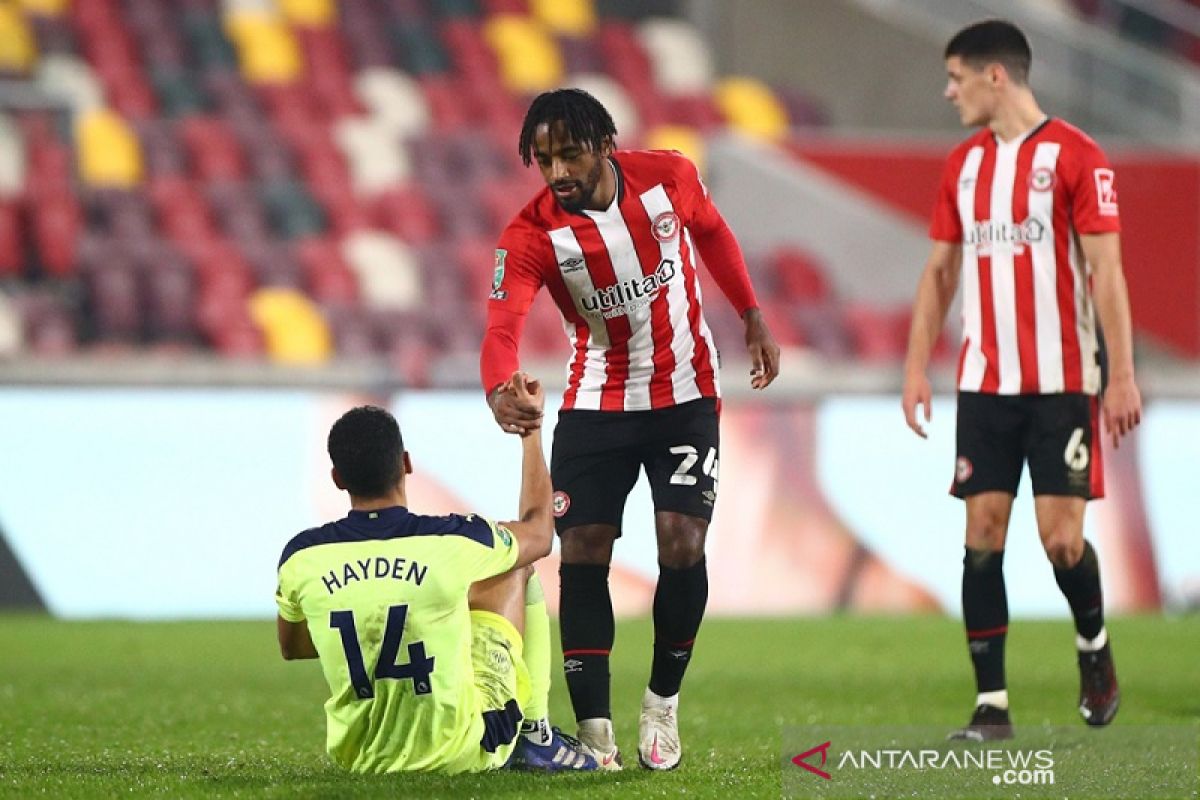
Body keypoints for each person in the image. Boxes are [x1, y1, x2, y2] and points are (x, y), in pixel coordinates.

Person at [480, 88, 780, 771]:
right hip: (595, 403)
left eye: (570, 155)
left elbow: (712, 232)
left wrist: (751, 311)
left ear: (604, 145)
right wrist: (498, 386)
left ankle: (662, 705)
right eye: (545, 160)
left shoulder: (670, 176)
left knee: (681, 543)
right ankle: (594, 734)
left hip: (685, 393)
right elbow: (503, 328)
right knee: (582, 551)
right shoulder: (530, 235)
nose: (558, 173)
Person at [901, 20, 1142, 741]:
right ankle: (991, 706)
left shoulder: (1078, 157)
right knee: (982, 532)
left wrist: (1121, 374)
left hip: (1064, 383)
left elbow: (1106, 273)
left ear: (994, 76)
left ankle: (1094, 649)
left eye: (956, 78)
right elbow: (940, 270)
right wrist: (915, 364)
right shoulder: (963, 166)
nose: (949, 92)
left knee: (1062, 542)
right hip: (985, 384)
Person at [275, 374, 597, 774]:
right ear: (406, 464)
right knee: (518, 568)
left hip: (360, 758)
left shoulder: (302, 556)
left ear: (338, 479)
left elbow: (295, 646)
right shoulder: (453, 540)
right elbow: (539, 533)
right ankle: (534, 732)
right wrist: (530, 433)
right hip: (459, 750)